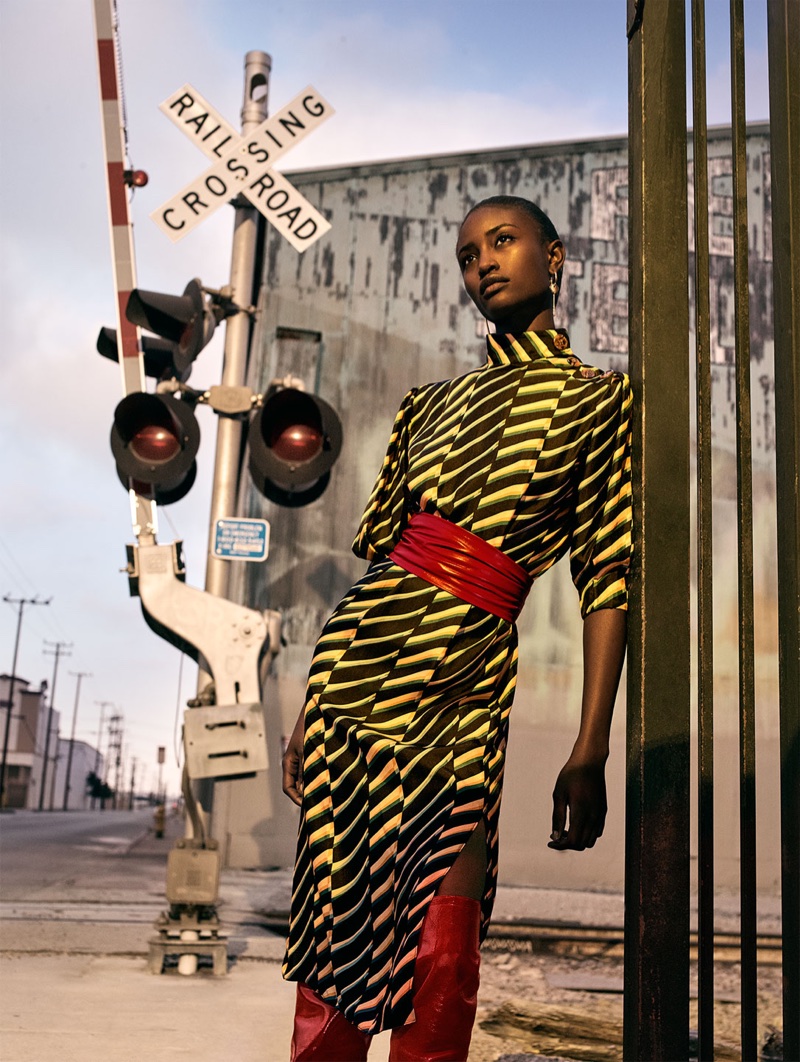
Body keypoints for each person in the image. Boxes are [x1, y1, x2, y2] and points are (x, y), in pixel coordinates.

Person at [281, 194, 632, 1061]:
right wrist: (310, 704)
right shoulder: (424, 408)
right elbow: (384, 561)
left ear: (555, 258)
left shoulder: (600, 402)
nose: (484, 260)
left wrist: (592, 745)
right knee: (337, 922)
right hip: (358, 671)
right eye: (469, 252)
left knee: (445, 929)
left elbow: (609, 578)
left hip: (469, 676)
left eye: (504, 241)